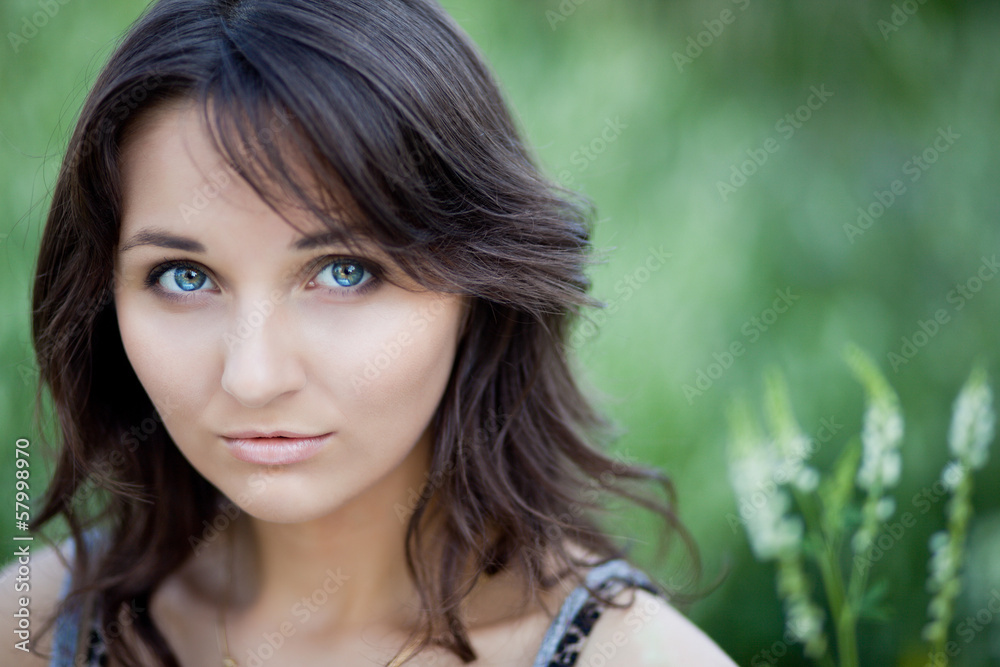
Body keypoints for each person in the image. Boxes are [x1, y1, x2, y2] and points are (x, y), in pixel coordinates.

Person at [2, 0, 738, 665]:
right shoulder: (30, 630)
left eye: (344, 272)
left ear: (479, 289)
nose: (252, 377)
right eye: (184, 277)